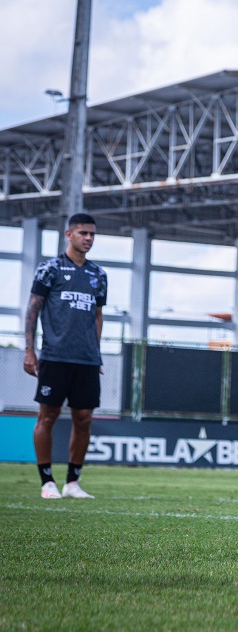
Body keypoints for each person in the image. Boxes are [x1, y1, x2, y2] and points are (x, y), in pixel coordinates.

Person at [23, 213, 107, 500]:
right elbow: (33, 309)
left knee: (84, 419)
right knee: (48, 416)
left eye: (92, 234)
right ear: (69, 234)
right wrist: (29, 349)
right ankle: (47, 481)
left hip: (86, 360)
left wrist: (97, 354)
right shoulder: (50, 269)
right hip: (55, 357)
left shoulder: (98, 275)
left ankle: (73, 482)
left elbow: (97, 316)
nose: (89, 239)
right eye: (83, 233)